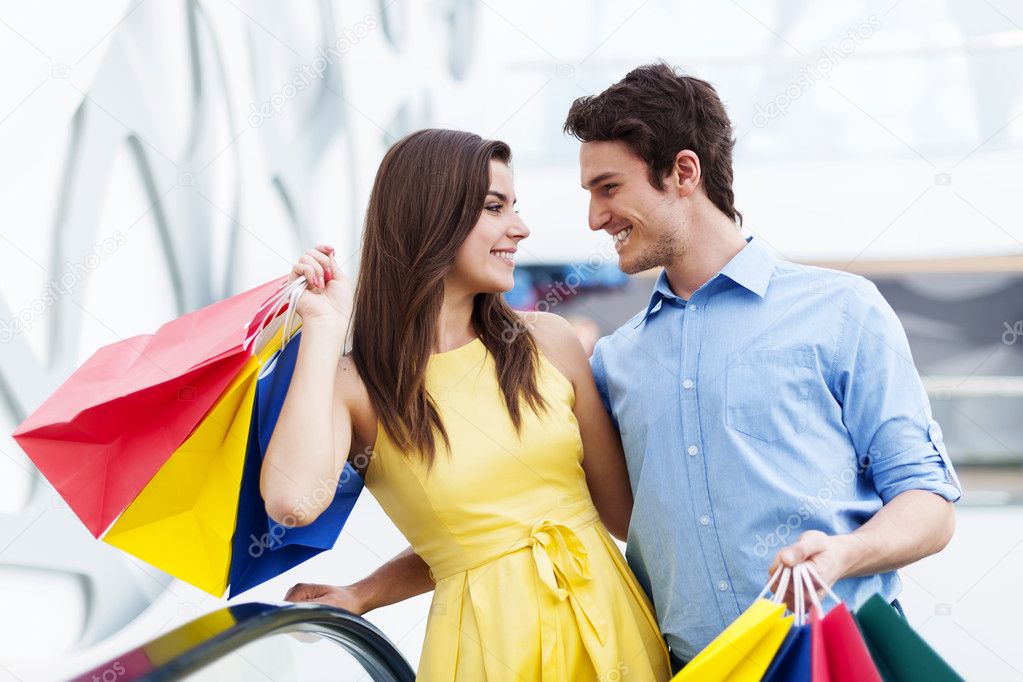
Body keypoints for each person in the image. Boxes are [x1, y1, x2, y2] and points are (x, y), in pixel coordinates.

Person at [563, 62, 961, 672]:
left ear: (683, 172)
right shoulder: (618, 362)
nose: (595, 218)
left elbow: (928, 505)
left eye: (608, 187)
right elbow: (616, 518)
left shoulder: (842, 311)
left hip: (836, 662)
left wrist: (843, 554)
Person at [263, 128, 671, 680]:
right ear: (431, 218)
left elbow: (623, 515)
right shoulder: (360, 385)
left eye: (515, 207)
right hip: (486, 655)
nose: (520, 228)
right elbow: (291, 501)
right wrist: (323, 328)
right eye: (494, 207)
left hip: (612, 635)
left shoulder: (547, 340)